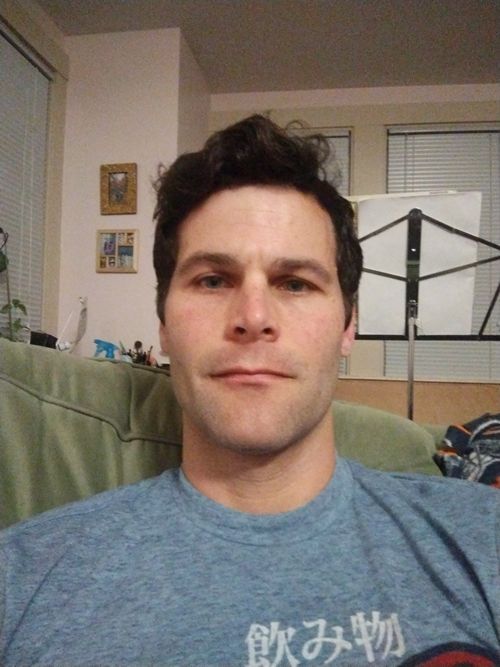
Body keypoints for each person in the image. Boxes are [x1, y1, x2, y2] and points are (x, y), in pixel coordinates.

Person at [0, 116, 498, 667]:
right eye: (213, 280)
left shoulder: (482, 536)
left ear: (348, 325)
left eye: (295, 283)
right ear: (164, 324)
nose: (254, 317)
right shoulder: (22, 580)